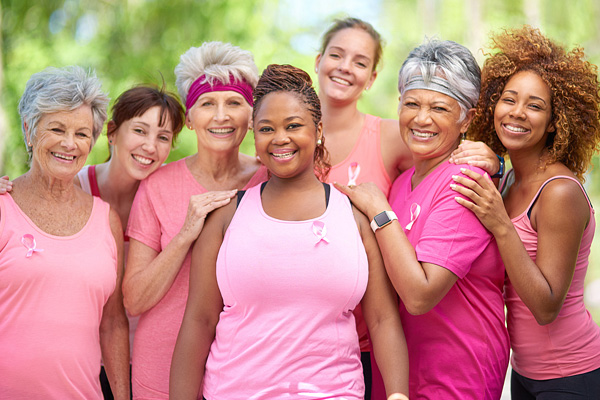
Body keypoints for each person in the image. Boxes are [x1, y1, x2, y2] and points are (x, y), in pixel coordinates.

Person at [170, 63, 409, 400]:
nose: (280, 138)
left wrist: (398, 395)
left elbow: (383, 319)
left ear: (318, 131)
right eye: (266, 128)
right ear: (255, 136)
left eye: (293, 126)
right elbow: (199, 321)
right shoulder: (225, 217)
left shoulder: (354, 216)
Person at [315, 18, 501, 398]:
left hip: (456, 373)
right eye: (411, 103)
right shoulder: (402, 182)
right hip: (400, 374)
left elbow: (419, 295)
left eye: (439, 108)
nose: (421, 118)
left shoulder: (463, 181)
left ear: (466, 118)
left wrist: (381, 213)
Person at [0, 84, 184, 400]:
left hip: (133, 365)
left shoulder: (161, 197)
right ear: (112, 134)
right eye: (57, 129)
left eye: (163, 137)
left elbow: (113, 320)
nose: (150, 146)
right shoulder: (58, 186)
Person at [451, 26, 600, 399]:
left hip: (571, 376)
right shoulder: (510, 179)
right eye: (508, 99)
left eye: (535, 105)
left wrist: (500, 223)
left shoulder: (559, 192)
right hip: (523, 374)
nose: (517, 113)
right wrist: (497, 165)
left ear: (554, 122)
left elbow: (546, 306)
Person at [123, 41, 268, 399]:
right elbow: (135, 300)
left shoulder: (272, 180)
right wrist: (185, 235)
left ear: (251, 116)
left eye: (234, 103)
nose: (221, 116)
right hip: (162, 371)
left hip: (249, 374)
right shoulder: (157, 187)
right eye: (207, 103)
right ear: (189, 117)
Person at [0, 66, 129, 399]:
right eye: (56, 129)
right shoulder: (2, 207)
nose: (69, 144)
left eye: (82, 134)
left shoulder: (107, 220)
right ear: (29, 130)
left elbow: (113, 323)